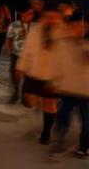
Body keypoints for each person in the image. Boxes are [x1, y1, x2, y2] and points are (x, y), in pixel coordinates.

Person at [17, 7, 62, 145]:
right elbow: (27, 50)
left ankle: (46, 133)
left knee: (49, 104)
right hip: (34, 73)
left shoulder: (63, 33)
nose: (51, 20)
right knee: (29, 101)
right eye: (48, 17)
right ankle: (46, 109)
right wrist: (20, 67)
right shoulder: (35, 30)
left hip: (52, 76)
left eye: (54, 17)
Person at [49, 12, 89, 160]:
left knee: (87, 123)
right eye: (76, 26)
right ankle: (58, 145)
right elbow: (56, 66)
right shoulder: (62, 44)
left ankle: (84, 147)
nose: (80, 29)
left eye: (82, 26)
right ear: (69, 27)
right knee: (63, 120)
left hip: (86, 91)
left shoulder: (86, 44)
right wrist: (54, 82)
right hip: (68, 89)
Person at [6, 5, 34, 103]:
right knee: (15, 76)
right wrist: (10, 52)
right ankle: (15, 93)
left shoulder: (35, 25)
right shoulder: (14, 25)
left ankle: (24, 96)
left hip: (30, 56)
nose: (31, 15)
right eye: (29, 13)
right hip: (16, 54)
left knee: (28, 77)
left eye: (32, 13)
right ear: (23, 13)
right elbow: (9, 39)